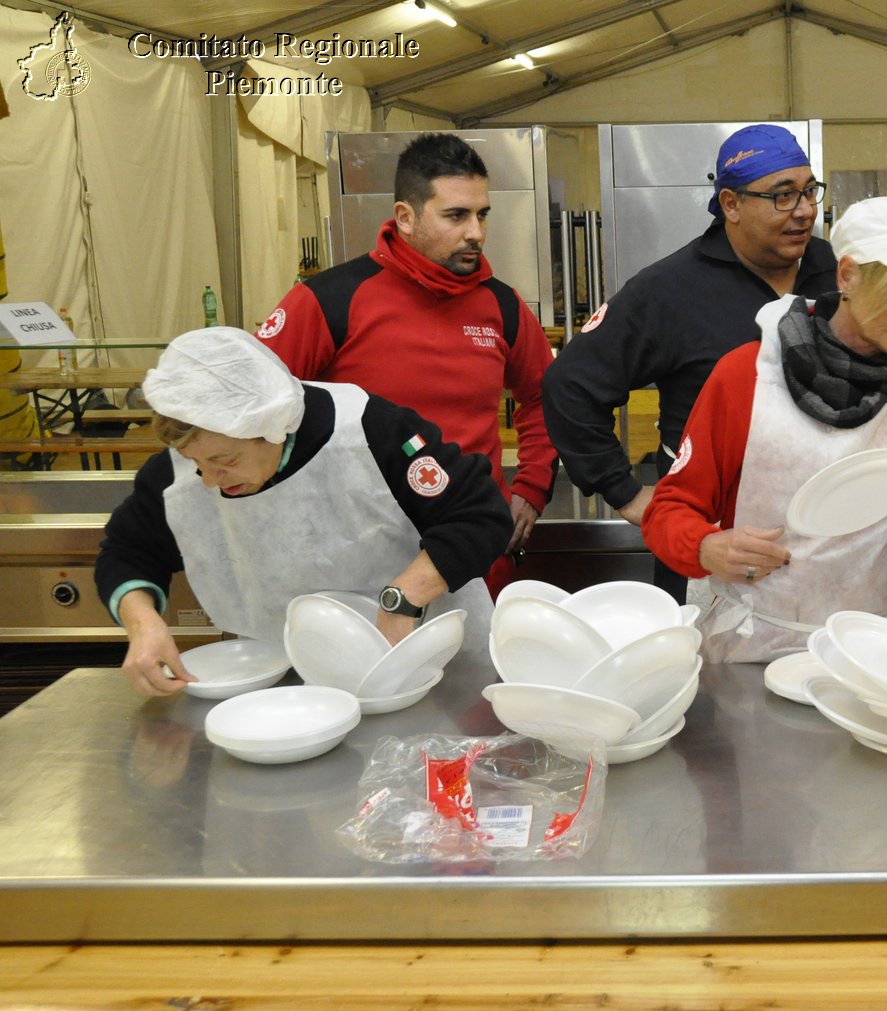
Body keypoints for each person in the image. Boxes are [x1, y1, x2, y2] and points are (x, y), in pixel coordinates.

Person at [96, 328, 511, 697]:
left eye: (226, 460)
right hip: (282, 685)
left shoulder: (371, 433)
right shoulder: (180, 474)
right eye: (196, 461)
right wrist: (143, 624)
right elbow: (129, 550)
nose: (208, 479)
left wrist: (402, 599)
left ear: (273, 425)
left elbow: (479, 514)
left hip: (426, 673)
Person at [641, 198, 887, 663]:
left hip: (873, 649)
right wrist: (708, 547)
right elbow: (669, 510)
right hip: (755, 647)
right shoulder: (747, 377)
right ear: (848, 275)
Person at [544, 124, 837, 601]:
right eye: (783, 196)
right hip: (711, 546)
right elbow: (568, 386)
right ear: (731, 204)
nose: (804, 210)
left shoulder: (826, 268)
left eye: (809, 191)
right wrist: (627, 494)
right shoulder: (670, 291)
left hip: (821, 539)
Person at [256, 132, 554, 597]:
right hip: (357, 557)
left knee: (475, 669)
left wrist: (531, 488)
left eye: (482, 215)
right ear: (406, 217)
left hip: (470, 549)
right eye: (456, 215)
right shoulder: (330, 301)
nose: (475, 232)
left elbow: (543, 398)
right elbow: (257, 408)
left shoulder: (502, 306)